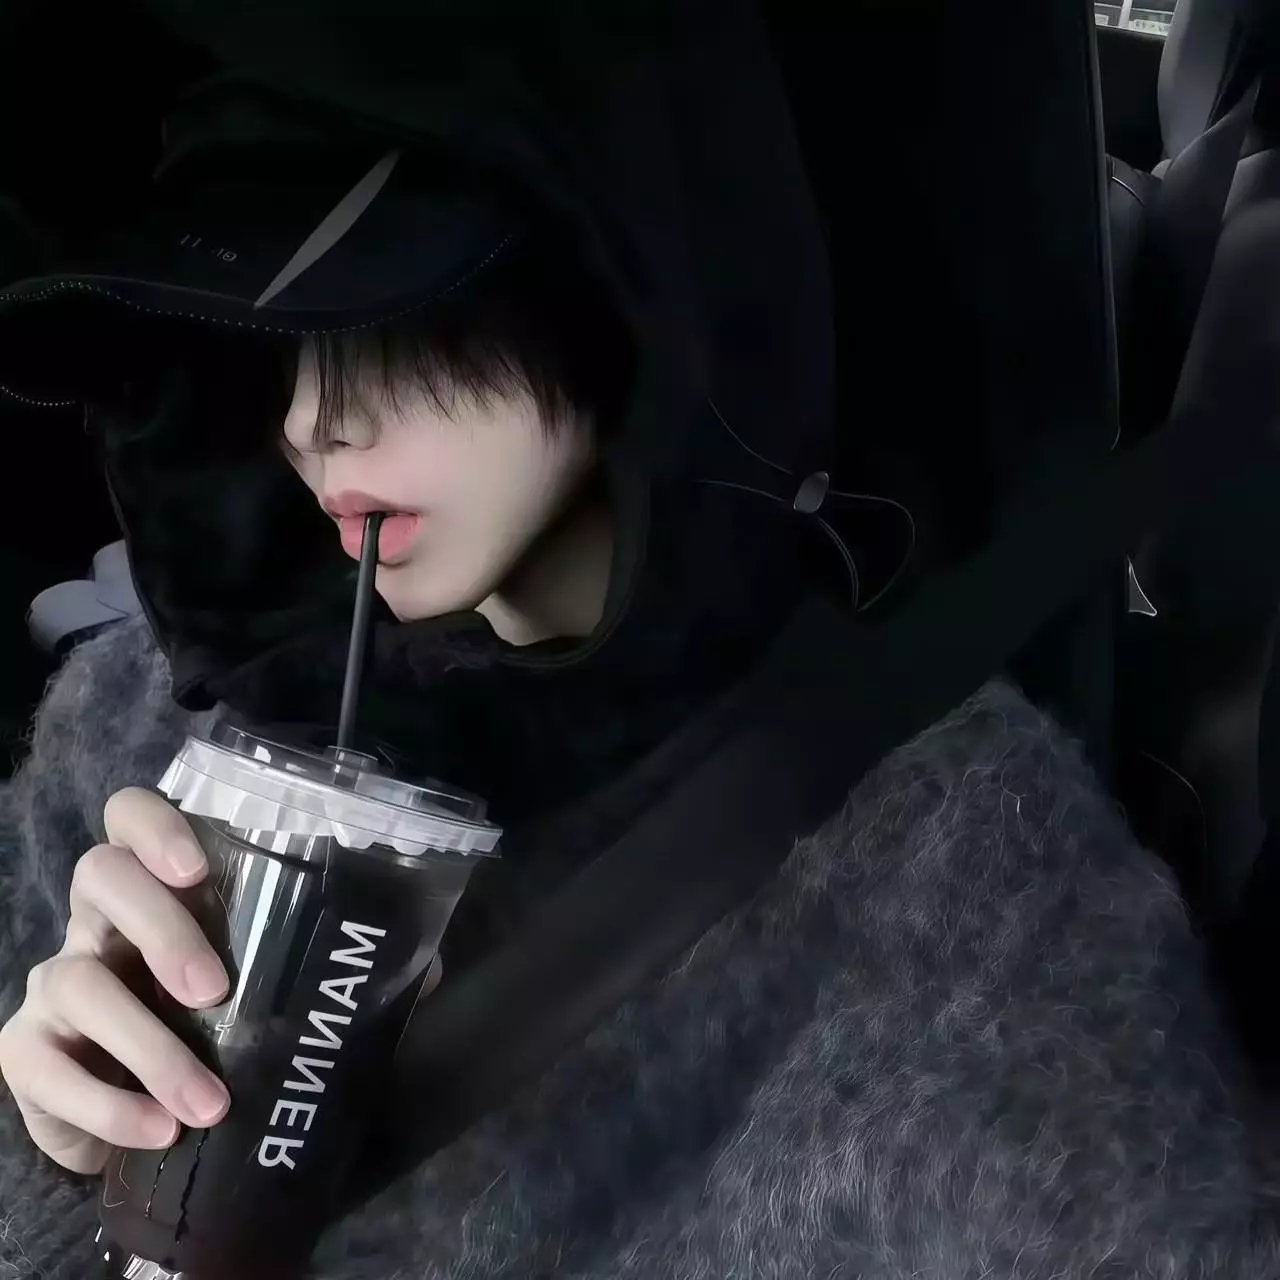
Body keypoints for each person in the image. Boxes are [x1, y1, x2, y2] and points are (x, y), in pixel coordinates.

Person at [3, 8, 1280, 1280]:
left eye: (386, 315)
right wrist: (61, 1155)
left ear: (618, 280)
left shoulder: (949, 864)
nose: (309, 419)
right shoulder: (143, 728)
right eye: (268, 332)